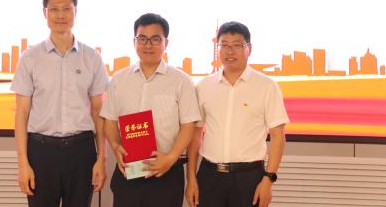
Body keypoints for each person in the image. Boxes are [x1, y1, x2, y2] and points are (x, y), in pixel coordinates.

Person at [11, 0, 109, 207]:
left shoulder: (92, 58)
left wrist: (101, 159)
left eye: (66, 8)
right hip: (41, 151)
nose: (60, 15)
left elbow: (98, 111)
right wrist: (23, 163)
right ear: (44, 13)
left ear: (76, 12)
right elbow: (22, 114)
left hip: (81, 151)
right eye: (54, 9)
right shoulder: (30, 58)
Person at [100, 13, 201, 207]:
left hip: (166, 171)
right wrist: (115, 145)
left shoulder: (181, 81)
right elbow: (110, 119)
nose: (148, 45)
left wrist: (171, 157)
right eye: (142, 39)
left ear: (166, 43)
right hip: (128, 169)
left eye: (155, 39)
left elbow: (189, 124)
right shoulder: (119, 80)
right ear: (134, 42)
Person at [185, 21, 289, 207]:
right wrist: (191, 178)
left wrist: (268, 179)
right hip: (210, 176)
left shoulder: (266, 86)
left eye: (237, 45)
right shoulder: (204, 86)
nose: (229, 51)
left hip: (249, 178)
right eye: (224, 45)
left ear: (249, 49)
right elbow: (195, 135)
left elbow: (277, 135)